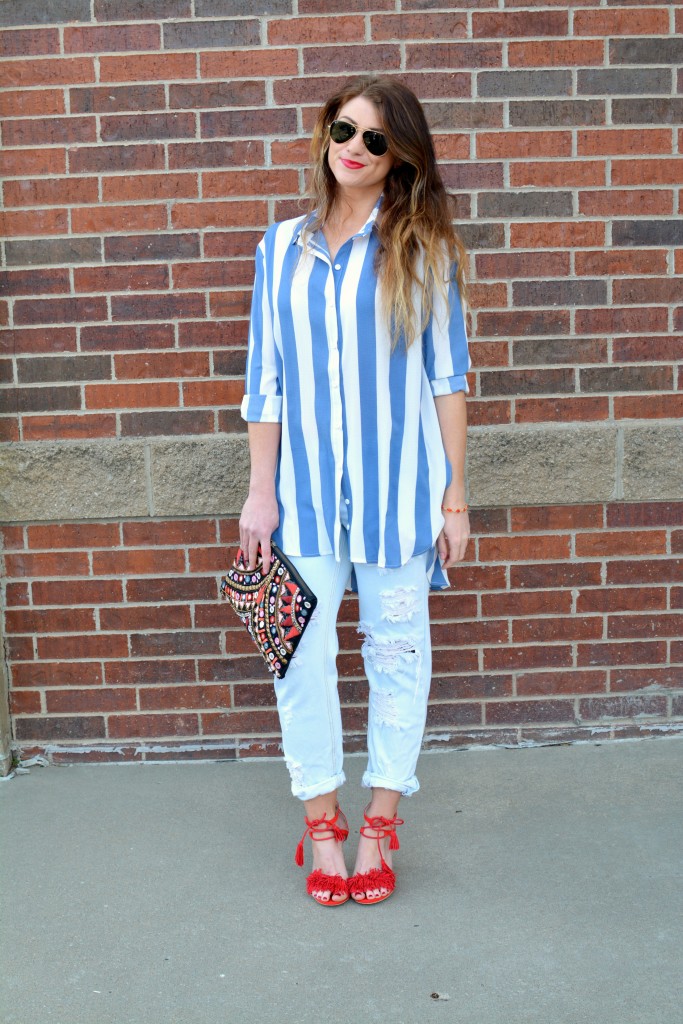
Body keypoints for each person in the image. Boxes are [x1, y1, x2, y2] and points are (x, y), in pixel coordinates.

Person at [238, 76, 470, 907]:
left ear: (400, 157)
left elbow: (447, 379)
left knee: (397, 659)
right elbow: (263, 382)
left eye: (376, 140)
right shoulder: (279, 249)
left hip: (396, 500)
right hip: (298, 501)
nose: (355, 149)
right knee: (297, 660)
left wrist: (453, 498)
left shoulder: (423, 249)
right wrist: (258, 495)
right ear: (324, 132)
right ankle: (320, 822)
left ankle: (379, 822)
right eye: (345, 129)